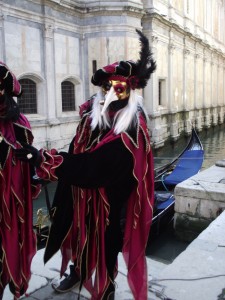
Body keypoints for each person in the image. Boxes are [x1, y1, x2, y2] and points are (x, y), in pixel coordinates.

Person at [15, 29, 156, 300]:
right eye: (107, 87)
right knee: (77, 237)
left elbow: (97, 167)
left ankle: (105, 291)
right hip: (79, 197)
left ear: (130, 90)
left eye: (119, 88)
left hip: (109, 205)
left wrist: (45, 160)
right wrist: (45, 170)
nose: (111, 93)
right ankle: (78, 271)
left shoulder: (132, 132)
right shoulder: (90, 119)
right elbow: (76, 151)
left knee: (105, 250)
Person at [0, 62, 40, 300]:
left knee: (7, 252)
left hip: (8, 203)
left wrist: (6, 152)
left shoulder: (18, 123)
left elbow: (26, 159)